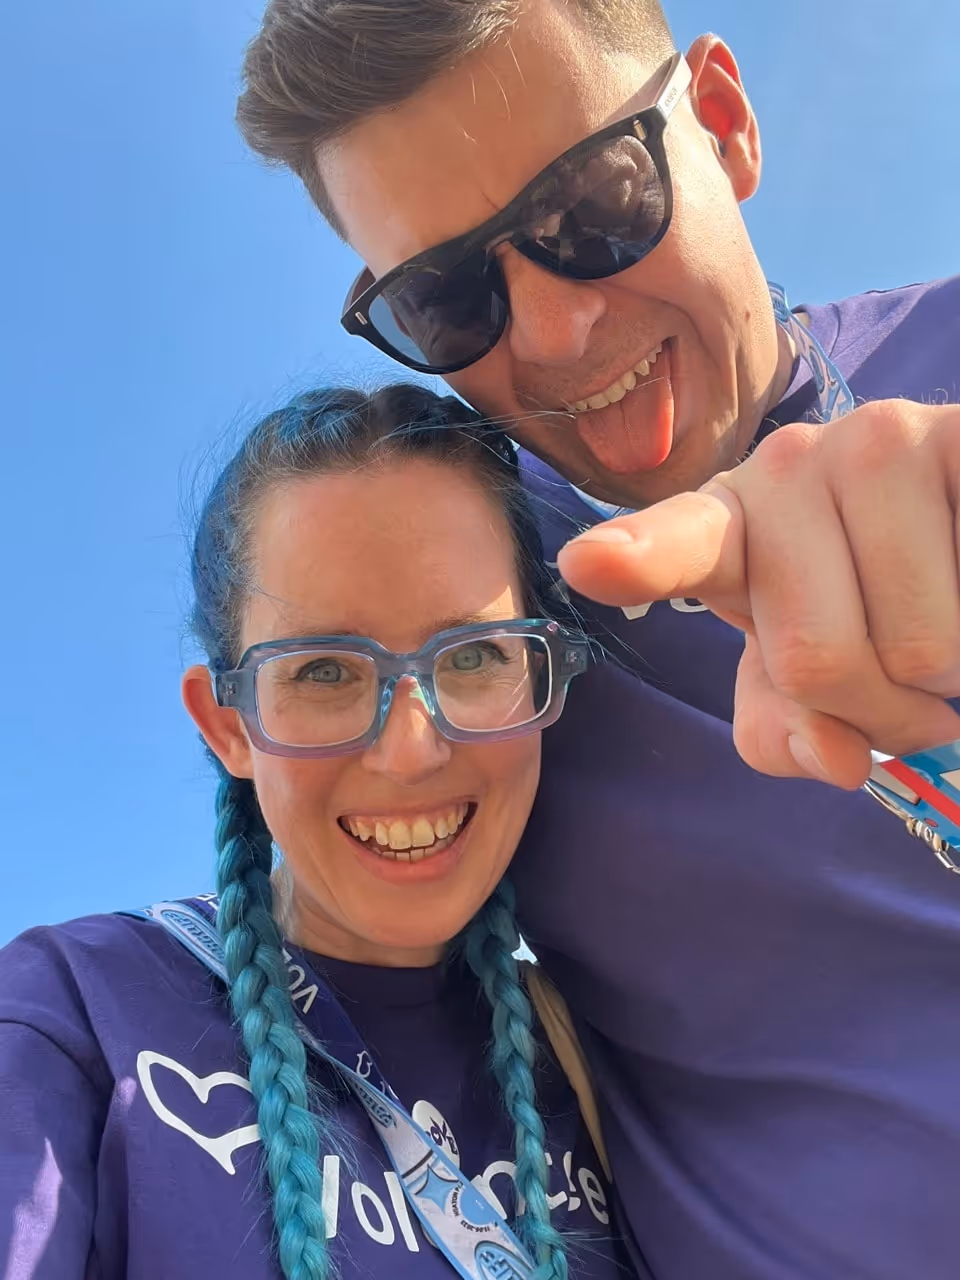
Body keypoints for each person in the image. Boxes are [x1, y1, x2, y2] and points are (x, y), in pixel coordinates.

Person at [229, 3, 960, 1278]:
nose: (556, 334)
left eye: (593, 210)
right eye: (447, 297)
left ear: (722, 126)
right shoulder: (480, 618)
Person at [0, 386, 632, 1280]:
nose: (411, 752)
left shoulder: (609, 1050)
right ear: (229, 729)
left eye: (475, 657)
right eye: (326, 670)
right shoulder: (71, 1019)